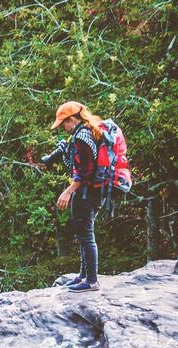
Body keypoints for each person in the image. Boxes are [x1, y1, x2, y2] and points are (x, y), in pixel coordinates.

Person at [51, 100, 106, 292]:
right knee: (83, 235)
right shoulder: (89, 131)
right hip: (93, 191)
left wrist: (68, 191)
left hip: (86, 192)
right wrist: (67, 152)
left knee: (87, 236)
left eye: (64, 124)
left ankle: (91, 281)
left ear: (72, 119)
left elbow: (85, 172)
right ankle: (83, 276)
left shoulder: (82, 137)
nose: (64, 128)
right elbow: (78, 165)